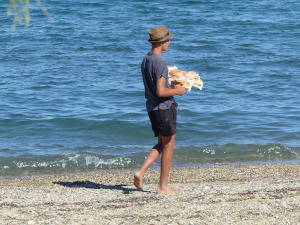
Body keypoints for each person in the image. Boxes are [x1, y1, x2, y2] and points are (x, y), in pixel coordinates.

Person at [134, 26, 186, 194]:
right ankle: (163, 186)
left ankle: (141, 172)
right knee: (169, 144)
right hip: (163, 108)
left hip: (152, 107)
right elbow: (161, 91)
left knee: (162, 143)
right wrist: (178, 91)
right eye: (168, 40)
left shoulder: (146, 59)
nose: (169, 43)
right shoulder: (160, 61)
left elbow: (154, 87)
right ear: (161, 42)